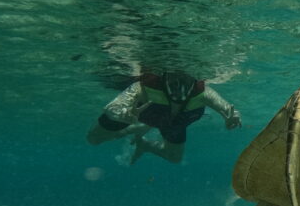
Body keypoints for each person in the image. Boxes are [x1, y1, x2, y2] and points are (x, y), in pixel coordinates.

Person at [87, 70, 241, 164]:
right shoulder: (143, 87)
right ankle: (135, 128)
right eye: (174, 78)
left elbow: (229, 109)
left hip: (174, 125)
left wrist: (231, 118)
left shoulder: (205, 93)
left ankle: (145, 144)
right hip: (139, 117)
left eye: (186, 77)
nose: (180, 81)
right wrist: (119, 115)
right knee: (93, 139)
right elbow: (113, 106)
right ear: (164, 76)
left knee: (174, 158)